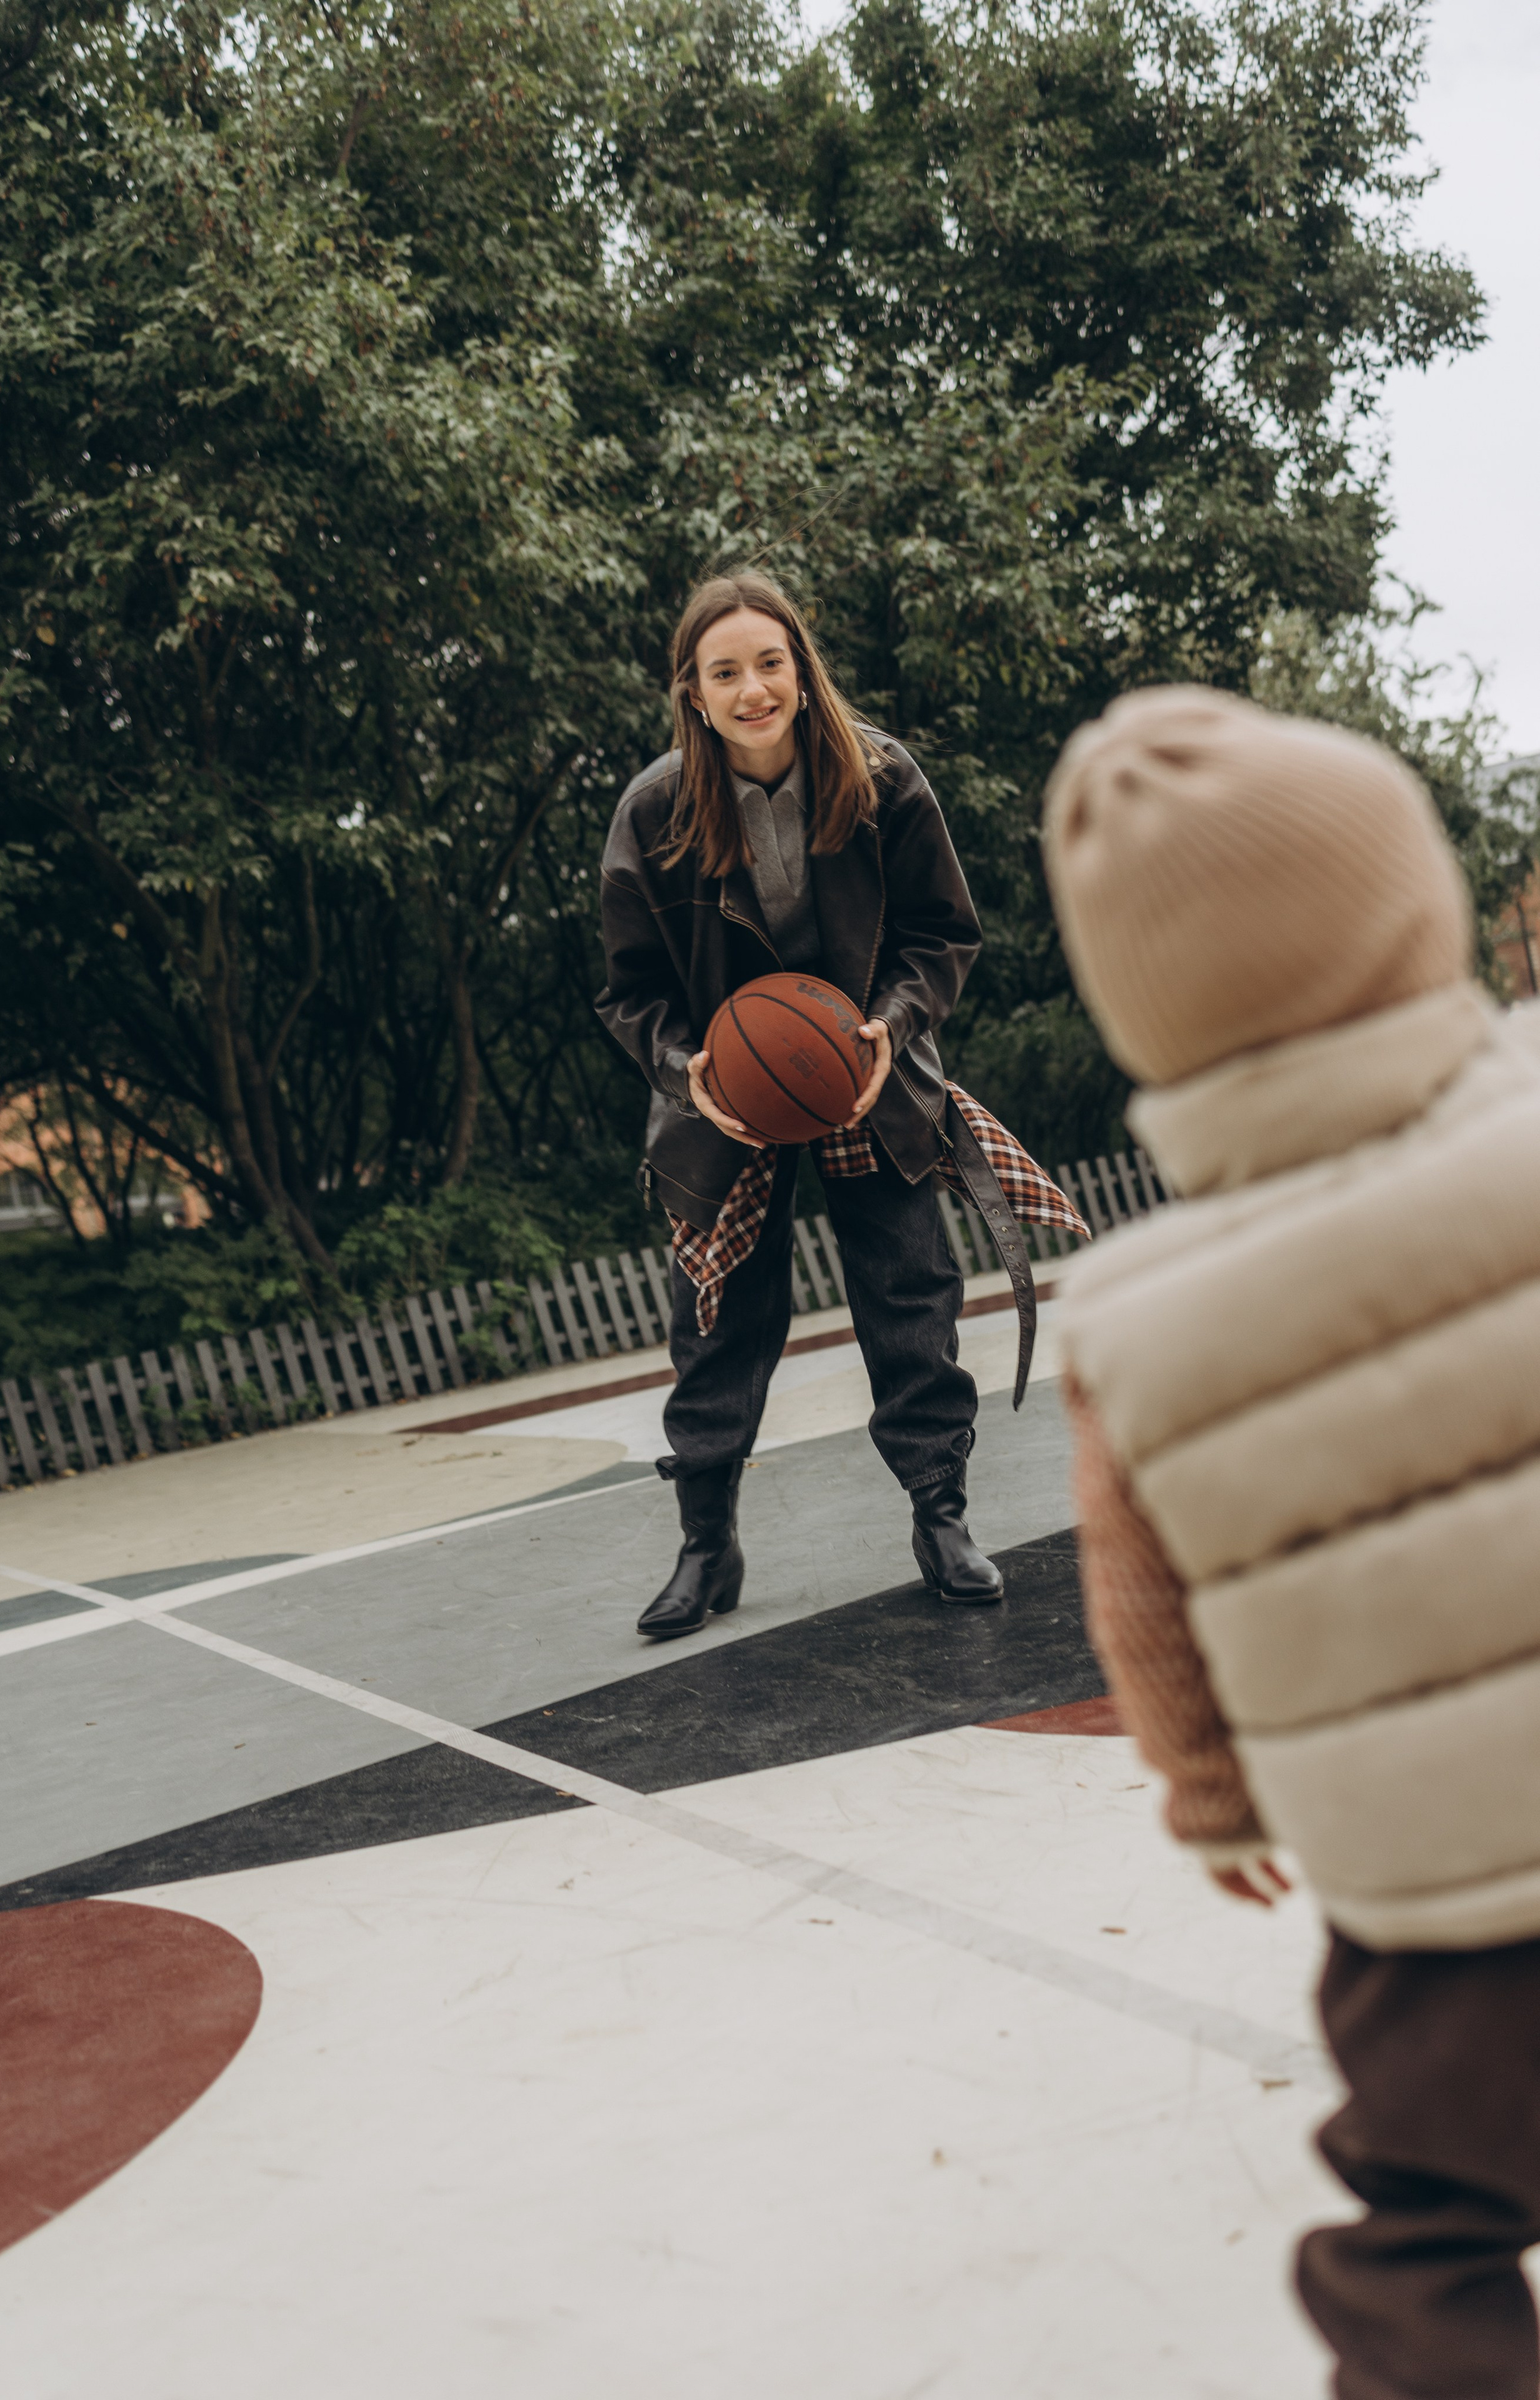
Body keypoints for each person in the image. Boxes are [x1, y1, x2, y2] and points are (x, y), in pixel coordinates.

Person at [1042, 683, 1540, 2399]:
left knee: (1429, 2221)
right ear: (1420, 901)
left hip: (1434, 1912)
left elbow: (1144, 1608)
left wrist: (1212, 1796)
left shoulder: (1130, 1319)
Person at [595, 570, 1079, 1639]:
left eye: (770, 663)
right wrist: (691, 1074)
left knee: (912, 1300)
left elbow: (944, 936)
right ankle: (706, 1546)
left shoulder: (884, 779)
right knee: (716, 1324)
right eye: (727, 672)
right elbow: (629, 993)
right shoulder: (654, 811)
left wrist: (892, 1028)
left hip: (859, 1072)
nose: (753, 688)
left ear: (802, 673)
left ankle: (941, 1517)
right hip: (733, 1098)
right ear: (695, 690)